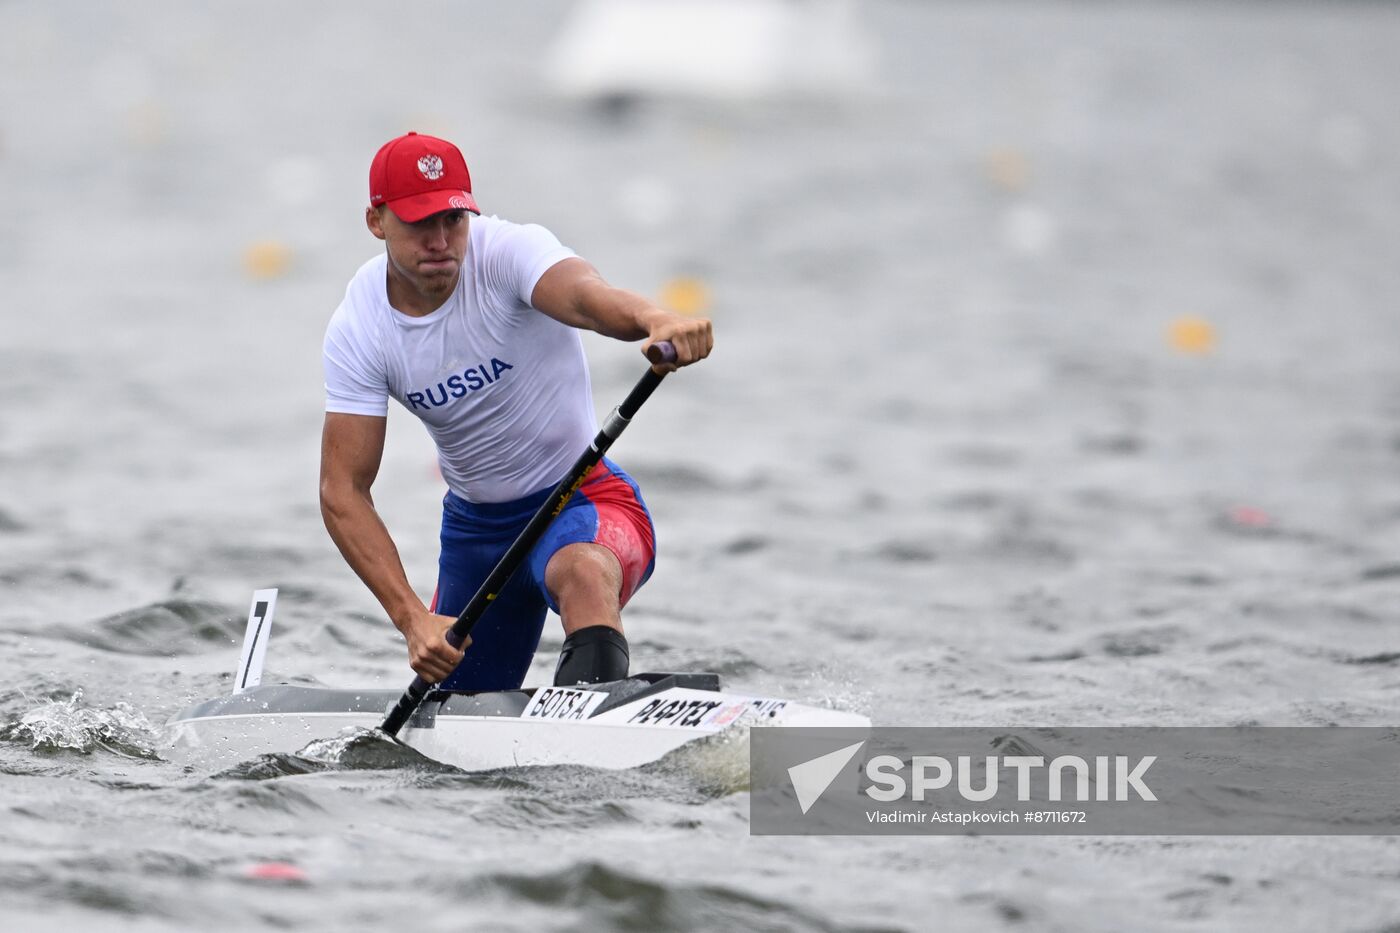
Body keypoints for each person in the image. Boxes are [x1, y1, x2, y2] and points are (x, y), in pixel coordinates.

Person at [319, 131, 712, 693]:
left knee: (580, 572)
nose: (440, 240)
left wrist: (655, 318)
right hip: (476, 538)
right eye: (419, 223)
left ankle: (597, 718)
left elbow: (586, 298)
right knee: (452, 718)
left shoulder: (509, 253)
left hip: (582, 498)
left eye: (453, 220)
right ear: (376, 222)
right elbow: (343, 491)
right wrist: (412, 619)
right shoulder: (360, 328)